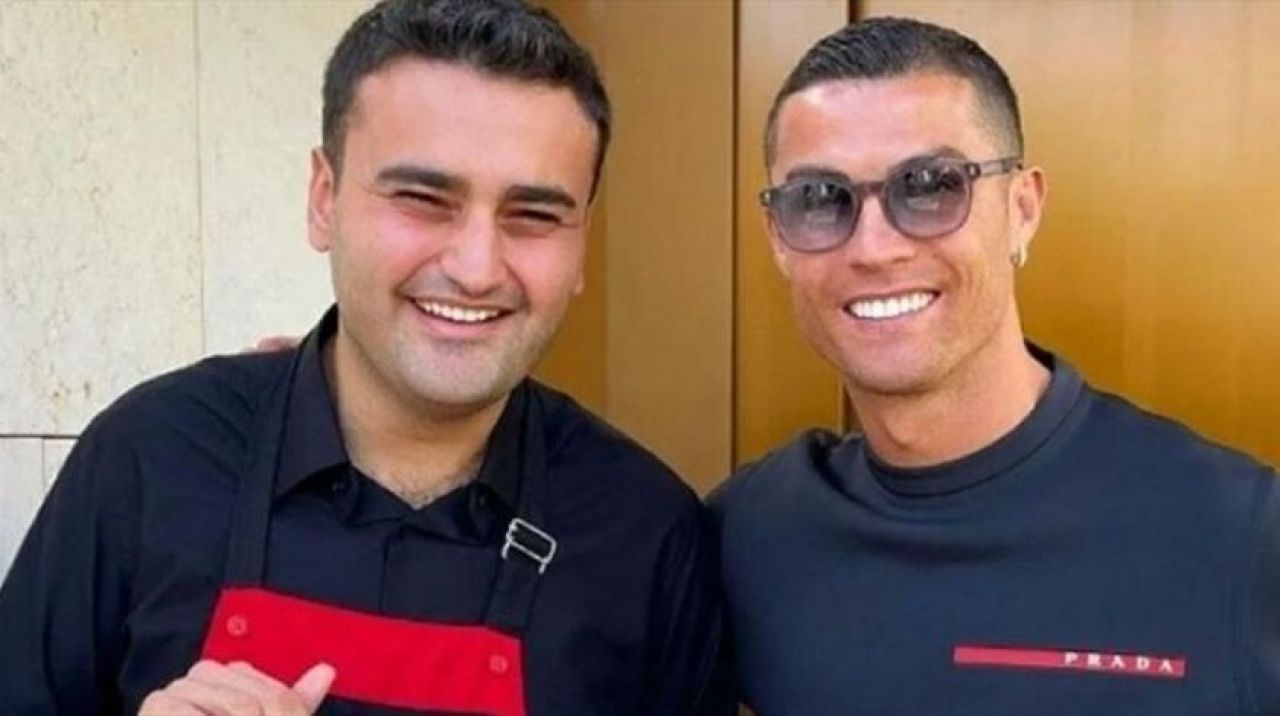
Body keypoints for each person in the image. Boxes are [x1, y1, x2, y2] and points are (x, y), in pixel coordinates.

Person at [0, 1, 725, 713]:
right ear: (324, 199)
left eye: (534, 215)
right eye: (423, 199)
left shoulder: (646, 534)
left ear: (582, 242)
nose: (476, 269)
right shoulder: (152, 456)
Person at [708, 16, 1280, 715]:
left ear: (1022, 209)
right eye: (820, 200)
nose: (874, 248)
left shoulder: (1239, 534)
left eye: (929, 186)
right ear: (777, 238)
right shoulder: (745, 535)